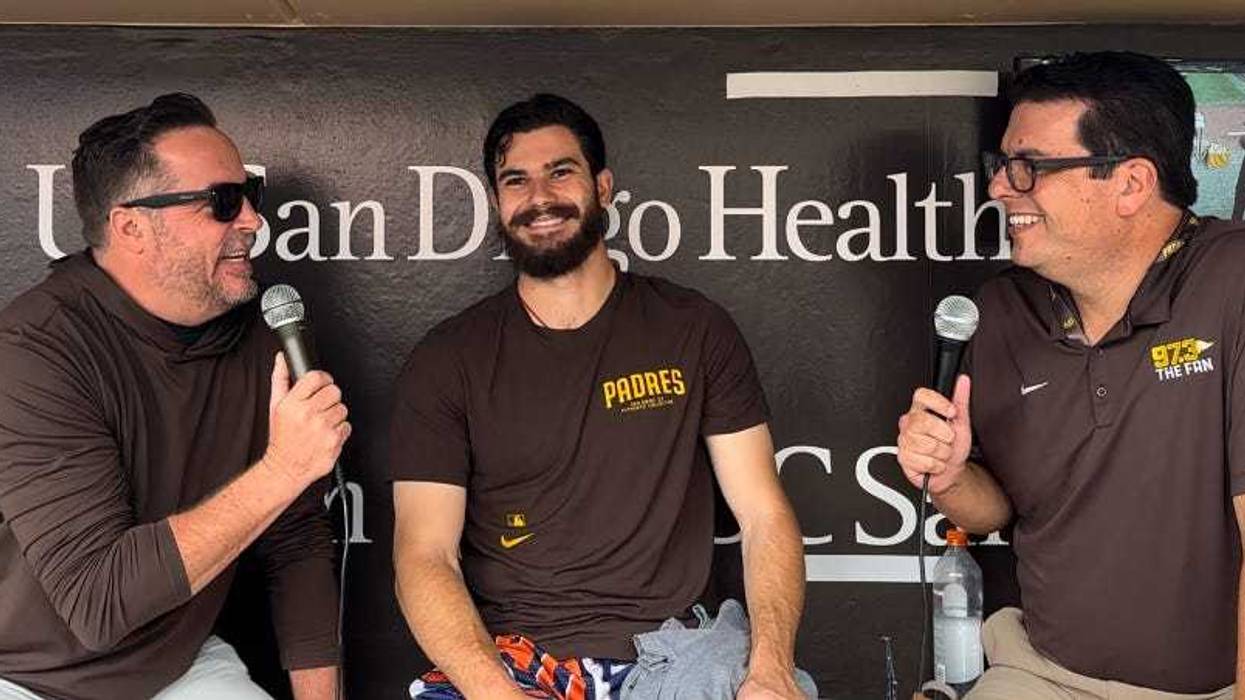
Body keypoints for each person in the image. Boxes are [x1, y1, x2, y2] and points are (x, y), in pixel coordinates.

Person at [390, 93, 808, 699]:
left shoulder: (693, 329)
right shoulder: (447, 360)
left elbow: (764, 517)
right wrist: (497, 693)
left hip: (675, 653)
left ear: (604, 186)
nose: (540, 197)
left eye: (561, 171)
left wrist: (770, 671)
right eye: (516, 180)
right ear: (496, 203)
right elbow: (424, 557)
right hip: (514, 659)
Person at [897, 51, 1240, 699]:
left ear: (1131, 183)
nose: (999, 188)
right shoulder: (1000, 310)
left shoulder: (1230, 282)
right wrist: (948, 476)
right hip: (1043, 672)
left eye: (1029, 167)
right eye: (1001, 166)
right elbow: (994, 509)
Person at [0, 94, 350, 700]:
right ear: (132, 226)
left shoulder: (268, 329)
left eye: (250, 195)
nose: (252, 221)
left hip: (177, 665)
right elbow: (99, 603)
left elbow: (296, 537)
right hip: (28, 678)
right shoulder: (35, 349)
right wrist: (284, 469)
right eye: (221, 202)